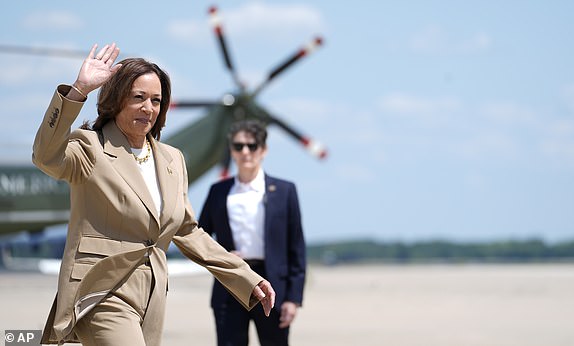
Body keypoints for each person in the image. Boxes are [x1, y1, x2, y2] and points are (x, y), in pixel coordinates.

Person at [32, 43, 275, 346]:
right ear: (117, 99)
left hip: (151, 297)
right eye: (138, 97)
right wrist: (79, 89)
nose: (148, 108)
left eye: (156, 100)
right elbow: (45, 155)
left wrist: (246, 278)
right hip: (100, 291)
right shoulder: (90, 147)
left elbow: (187, 231)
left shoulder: (173, 159)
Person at [199, 119, 306, 346]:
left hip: (273, 286)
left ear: (263, 150)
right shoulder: (218, 191)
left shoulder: (285, 191)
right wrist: (222, 257)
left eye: (252, 146)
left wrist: (293, 299)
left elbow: (296, 248)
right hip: (230, 283)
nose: (245, 151)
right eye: (238, 146)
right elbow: (199, 237)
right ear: (232, 151)